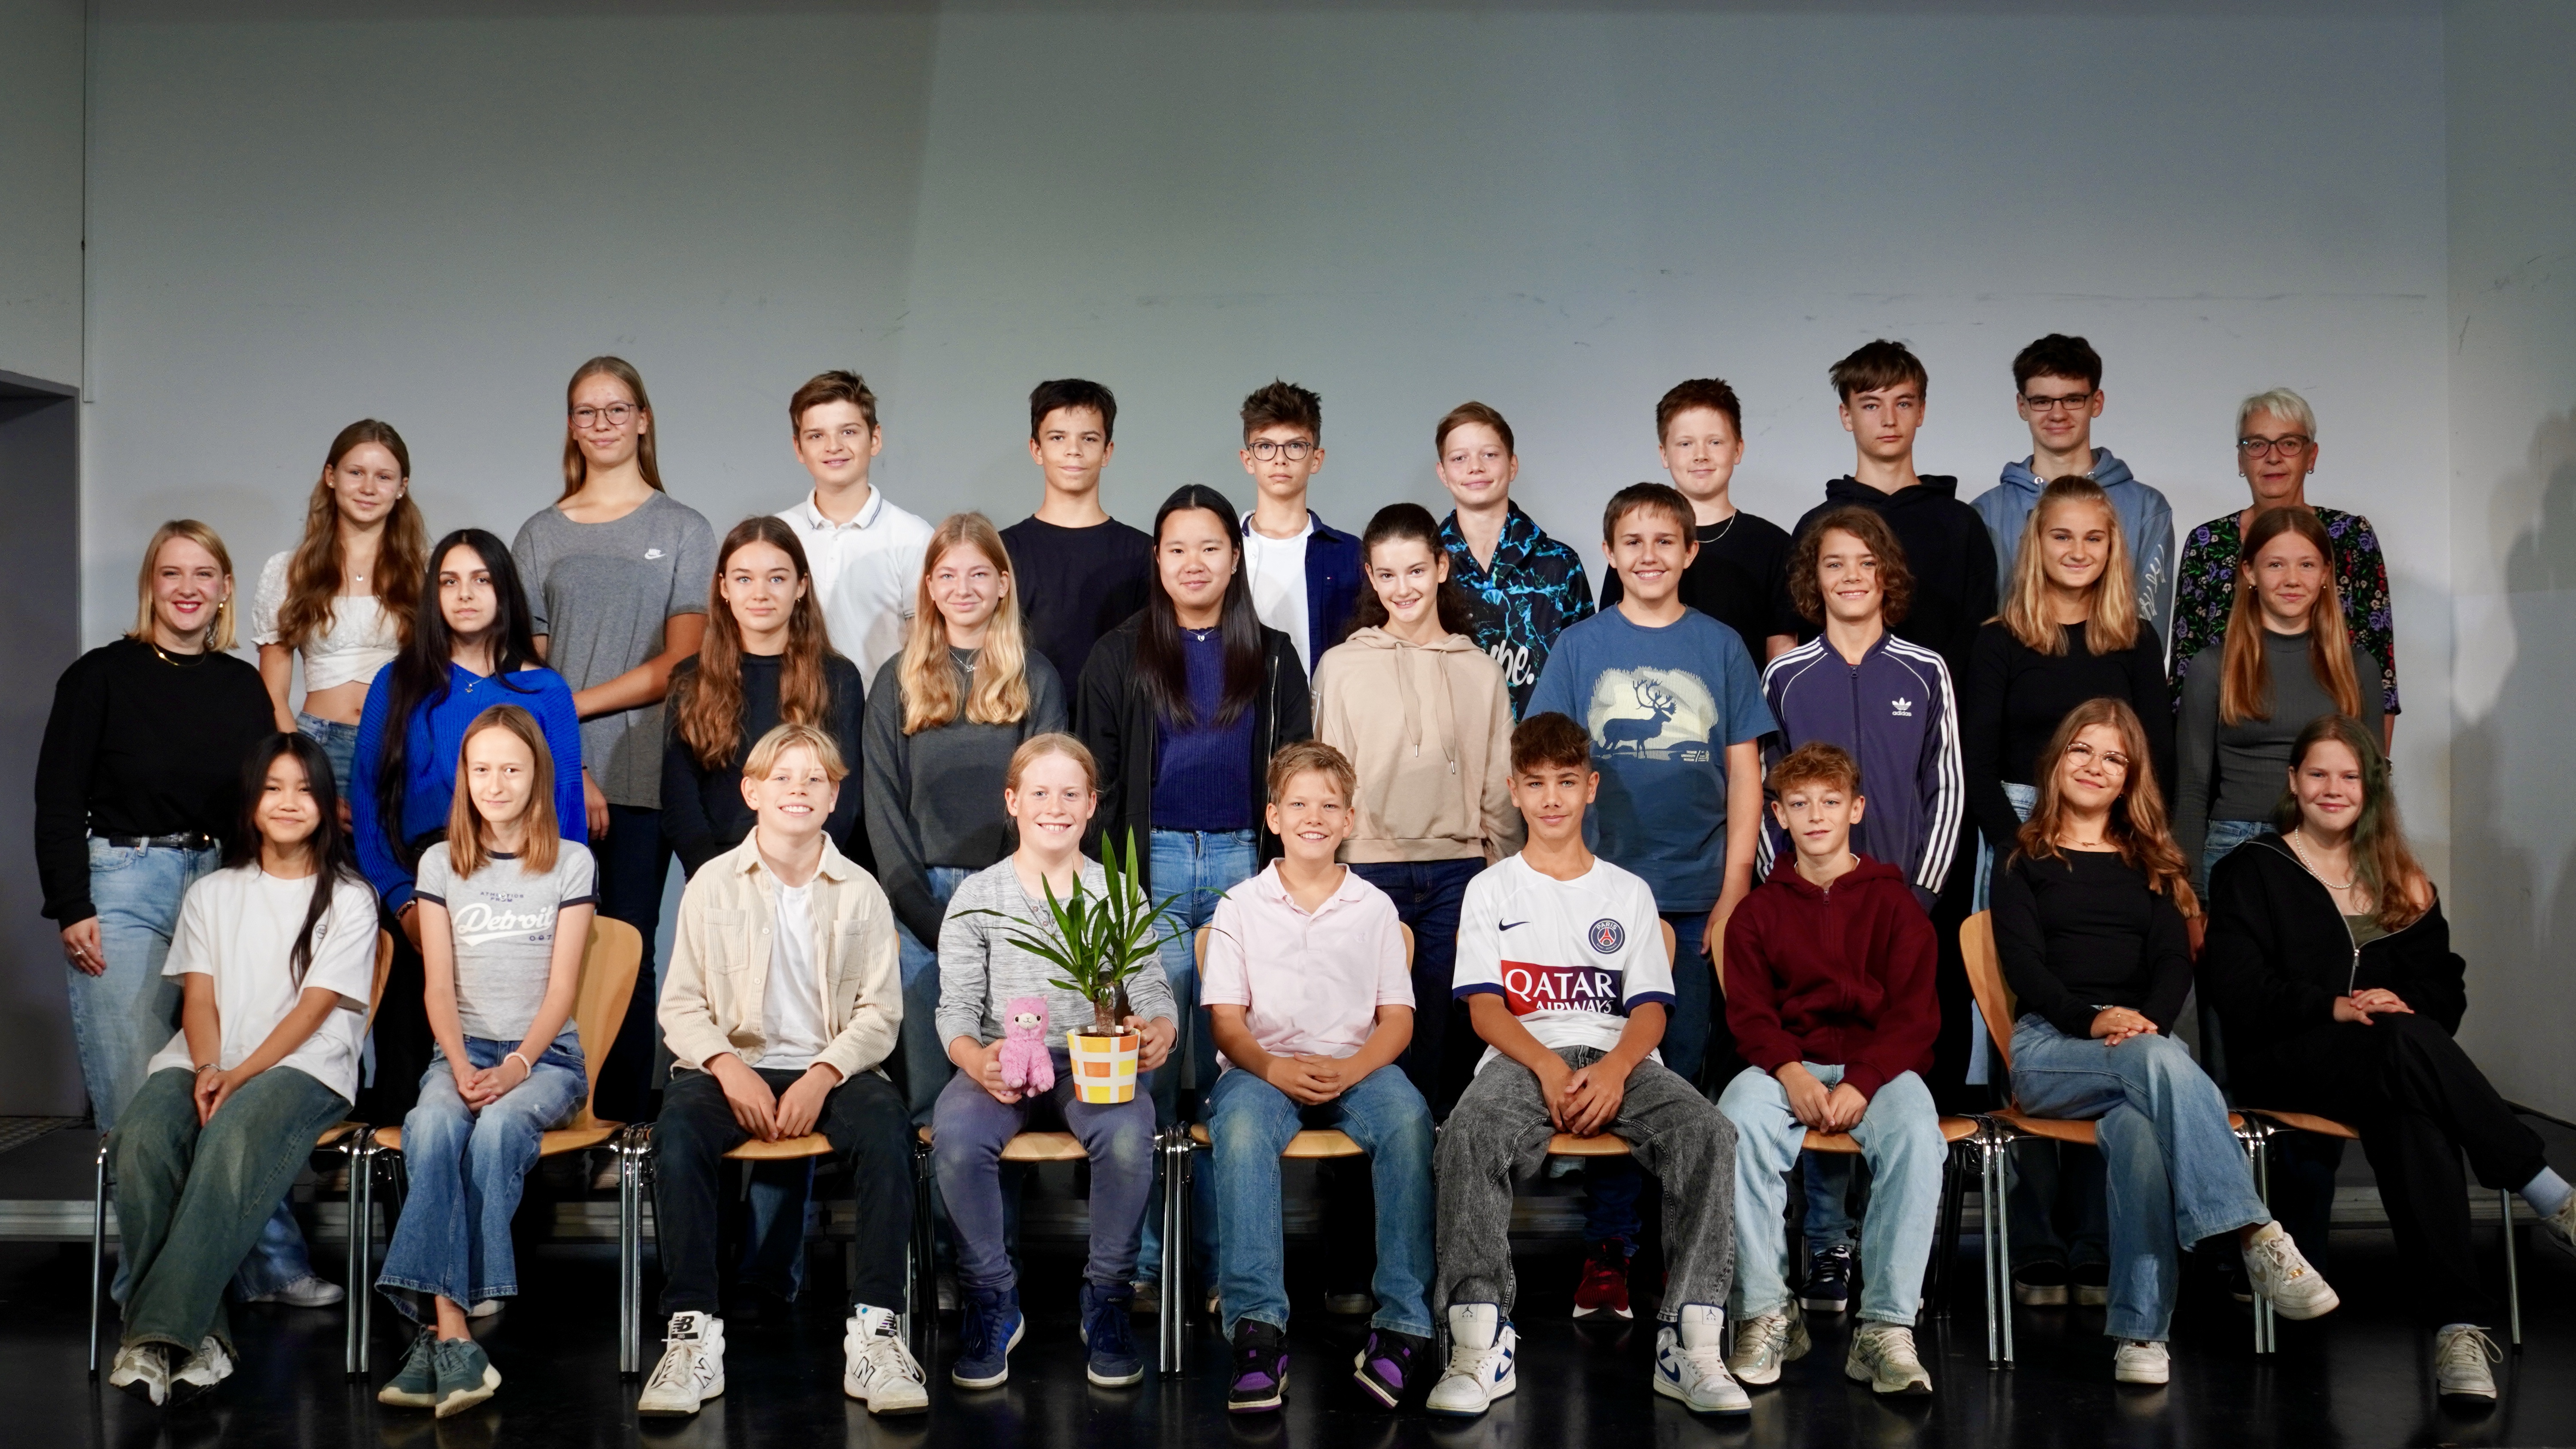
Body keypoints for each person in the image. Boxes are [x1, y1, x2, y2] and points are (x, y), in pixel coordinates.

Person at [2205, 715, 2576, 1404]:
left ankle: (2458, 1334)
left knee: (2413, 1112)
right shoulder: (2251, 870)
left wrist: (2401, 1001)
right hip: (2287, 1061)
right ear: (2293, 781)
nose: (2334, 788)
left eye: (2350, 776)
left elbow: (2445, 990)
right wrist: (2334, 1007)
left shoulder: (2400, 879)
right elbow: (2237, 989)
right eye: (2319, 773)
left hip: (2383, 1067)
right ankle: (2544, 1187)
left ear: (2370, 788)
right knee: (2403, 1049)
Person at [1992, 698, 2336, 1386]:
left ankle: (2141, 1336)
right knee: (2161, 1059)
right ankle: (2254, 1234)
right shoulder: (2022, 858)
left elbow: (2174, 962)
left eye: (2114, 758)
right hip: (2050, 1048)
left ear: (2131, 778)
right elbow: (2024, 966)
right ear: (2056, 761)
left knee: (2143, 1135)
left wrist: (2142, 1021)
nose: (2095, 766)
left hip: (2139, 1046)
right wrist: (2094, 1021)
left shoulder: (2151, 862)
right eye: (2082, 750)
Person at [1428, 712, 1747, 1419]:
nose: (1552, 799)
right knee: (1467, 1132)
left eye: (1566, 782)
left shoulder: (1627, 893)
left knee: (1709, 1132)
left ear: (1591, 787)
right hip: (1522, 1053)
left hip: (1618, 1054)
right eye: (1537, 783)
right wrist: (1546, 1066)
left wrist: (1614, 1070)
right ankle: (1480, 1342)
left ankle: (1692, 1343)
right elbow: (1485, 1010)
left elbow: (1652, 1010)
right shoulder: (1492, 889)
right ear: (1514, 789)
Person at [1525, 482, 1771, 1317]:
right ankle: (1609, 1246)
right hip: (1601, 900)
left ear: (1691, 551)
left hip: (1699, 895)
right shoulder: (1580, 647)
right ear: (1610, 552)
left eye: (1666, 541)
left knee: (1684, 1071)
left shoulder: (1721, 645)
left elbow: (1745, 773)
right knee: (1610, 1065)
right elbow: (1547, 768)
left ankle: (1675, 1246)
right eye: (1632, 541)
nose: (1649, 555)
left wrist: (1734, 891)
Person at [638, 723, 923, 1418]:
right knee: (677, 1134)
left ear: (834, 798)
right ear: (752, 792)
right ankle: (691, 1334)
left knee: (887, 1131)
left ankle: (877, 1333)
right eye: (783, 777)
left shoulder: (861, 891)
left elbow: (880, 1015)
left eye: (815, 779)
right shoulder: (712, 884)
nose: (799, 790)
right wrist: (726, 1066)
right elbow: (681, 1005)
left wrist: (823, 1073)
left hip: (830, 1066)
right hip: (730, 1064)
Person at [1075, 483, 1313, 1298]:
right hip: (1153, 871)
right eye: (1177, 549)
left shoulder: (1273, 655)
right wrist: (1114, 891)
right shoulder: (1118, 655)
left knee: (1228, 1067)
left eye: (1210, 547)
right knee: (1145, 1065)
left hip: (1247, 864)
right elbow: (1100, 783)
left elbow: (1296, 771)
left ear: (1234, 557)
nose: (1194, 563)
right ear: (1157, 559)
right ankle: (1143, 1264)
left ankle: (1219, 1264)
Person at [102, 734, 378, 1408]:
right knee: (140, 1138)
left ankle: (155, 1336)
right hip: (205, 1057)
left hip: (304, 1066)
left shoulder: (350, 897)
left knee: (231, 1136)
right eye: (274, 788)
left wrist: (240, 1074)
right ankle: (199, 1340)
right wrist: (208, 1067)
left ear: (326, 803)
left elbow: (314, 1011)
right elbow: (199, 1000)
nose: (289, 802)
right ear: (252, 800)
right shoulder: (213, 891)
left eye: (305, 789)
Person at [1965, 475, 2172, 1307]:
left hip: (2113, 835)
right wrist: (2021, 852)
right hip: (2020, 832)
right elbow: (1976, 761)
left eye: (2094, 536)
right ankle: (2037, 1236)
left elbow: (2154, 760)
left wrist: (2137, 846)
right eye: (2062, 536)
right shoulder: (2000, 639)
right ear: (2036, 543)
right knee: (2030, 1024)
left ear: (2113, 545)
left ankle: (2096, 1235)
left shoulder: (2134, 639)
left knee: (2116, 1016)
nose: (2078, 551)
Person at [932, 734, 1176, 1390]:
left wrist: (1160, 1029)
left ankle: (1108, 1298)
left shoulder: (1116, 893)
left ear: (1092, 805)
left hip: (1090, 1059)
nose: (1055, 806)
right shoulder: (978, 895)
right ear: (1012, 801)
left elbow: (1151, 987)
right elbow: (956, 1008)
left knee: (1126, 1136)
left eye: (1071, 794)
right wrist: (973, 1059)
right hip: (1000, 1059)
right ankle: (992, 1297)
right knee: (956, 1138)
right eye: (1039, 792)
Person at [373, 706, 594, 1417]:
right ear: (464, 778)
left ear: (538, 777)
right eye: (482, 769)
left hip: (546, 1060)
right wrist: (461, 1064)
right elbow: (437, 986)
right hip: (461, 1051)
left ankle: (439, 1333)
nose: (495, 784)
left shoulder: (571, 862)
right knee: (432, 1124)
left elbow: (562, 990)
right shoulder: (440, 863)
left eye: (512, 769)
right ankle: (455, 1335)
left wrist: (518, 1066)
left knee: (498, 1129)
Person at [512, 355, 715, 1122]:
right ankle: (552, 1114)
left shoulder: (684, 529)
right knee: (548, 950)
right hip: (554, 780)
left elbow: (681, 663)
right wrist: (568, 757)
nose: (602, 423)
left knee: (628, 945)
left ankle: (620, 1125)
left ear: (643, 419)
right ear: (572, 426)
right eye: (586, 411)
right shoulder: (539, 534)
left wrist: (572, 710)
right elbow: (525, 671)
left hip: (643, 771)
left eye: (617, 409)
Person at [1202, 741, 1433, 1413]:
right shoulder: (1240, 905)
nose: (1314, 817)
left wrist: (1353, 1067)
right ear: (1273, 817)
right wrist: (1274, 1067)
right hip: (1263, 1067)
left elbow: (1397, 1021)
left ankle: (1403, 1324)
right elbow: (1227, 1023)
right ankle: (1257, 1330)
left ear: (1349, 819)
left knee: (1410, 1120)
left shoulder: (1374, 908)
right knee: (1241, 1129)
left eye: (1329, 806)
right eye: (1299, 804)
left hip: (1357, 1066)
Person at [1718, 742, 1944, 1397]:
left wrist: (1863, 1080)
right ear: (1779, 816)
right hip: (1787, 1064)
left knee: (1918, 1131)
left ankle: (1885, 1330)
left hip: (1880, 1067)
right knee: (1734, 1119)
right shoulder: (1759, 912)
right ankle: (1767, 1312)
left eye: (1830, 801)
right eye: (1799, 803)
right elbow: (1750, 1015)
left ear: (1857, 808)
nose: (1816, 815)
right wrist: (1790, 1072)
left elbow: (1915, 1016)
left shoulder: (1896, 905)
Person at [39, 521, 272, 1136]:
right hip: (124, 891)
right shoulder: (98, 677)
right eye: (172, 573)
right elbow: (58, 798)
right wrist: (71, 904)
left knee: (216, 1092)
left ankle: (201, 1207)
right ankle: (137, 1206)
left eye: (204, 574)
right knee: (137, 1097)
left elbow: (258, 809)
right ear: (151, 584)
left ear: (225, 588)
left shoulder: (243, 687)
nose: (187, 588)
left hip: (220, 889)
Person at [353, 530, 585, 1122]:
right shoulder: (396, 683)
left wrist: (549, 907)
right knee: (412, 1080)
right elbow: (369, 803)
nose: (465, 594)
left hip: (520, 898)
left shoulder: (545, 690)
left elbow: (567, 817)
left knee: (510, 1089)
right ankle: (410, 1185)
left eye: (482, 580)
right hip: (422, 883)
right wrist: (402, 900)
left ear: (505, 592)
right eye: (450, 581)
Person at [1312, 503, 1520, 1113]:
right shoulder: (1341, 667)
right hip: (1368, 868)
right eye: (1387, 574)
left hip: (1458, 873)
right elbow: (1329, 780)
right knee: (1362, 1026)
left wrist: (1501, 879)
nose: (1403, 588)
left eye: (1415, 571)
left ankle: (1435, 1159)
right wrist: (1329, 872)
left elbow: (1498, 785)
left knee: (1440, 1032)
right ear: (1370, 578)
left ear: (1442, 567)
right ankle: (1364, 1162)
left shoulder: (1480, 671)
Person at [864, 511, 1068, 1123]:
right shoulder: (896, 679)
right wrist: (923, 912)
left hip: (1014, 903)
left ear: (1003, 584)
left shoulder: (1036, 676)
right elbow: (882, 802)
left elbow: (1048, 801)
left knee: (1013, 1083)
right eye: (948, 575)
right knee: (930, 1098)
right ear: (929, 586)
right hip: (920, 902)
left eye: (979, 574)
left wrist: (1005, 903)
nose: (963, 588)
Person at [2174, 506, 2383, 888]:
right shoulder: (2212, 666)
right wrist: (2188, 894)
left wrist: (2376, 870)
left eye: (2307, 565)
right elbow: (2190, 789)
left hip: (2333, 847)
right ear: (2250, 572)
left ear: (2325, 574)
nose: (2292, 580)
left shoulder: (2359, 668)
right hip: (2236, 844)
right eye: (2275, 565)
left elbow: (2373, 786)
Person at [2172, 388, 2399, 734]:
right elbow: (2183, 676)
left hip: (2333, 748)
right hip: (2230, 749)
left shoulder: (2351, 538)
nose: (2273, 457)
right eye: (2257, 445)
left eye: (2289, 443)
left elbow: (2381, 675)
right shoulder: (2207, 544)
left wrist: (2373, 764)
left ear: (2311, 456)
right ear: (2241, 460)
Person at [663, 516, 867, 878]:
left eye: (777, 579)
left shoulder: (838, 677)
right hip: (718, 870)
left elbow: (845, 792)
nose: (760, 594)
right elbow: (680, 796)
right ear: (724, 587)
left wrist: (802, 871)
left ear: (801, 586)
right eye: (744, 579)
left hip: (810, 869)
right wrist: (714, 875)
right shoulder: (690, 678)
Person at [251, 419, 425, 794]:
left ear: (401, 487)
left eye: (383, 477)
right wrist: (303, 771)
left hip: (403, 745)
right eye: (356, 472)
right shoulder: (289, 571)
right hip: (319, 747)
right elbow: (273, 692)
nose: (368, 488)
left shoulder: (425, 571)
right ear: (331, 476)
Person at [1968, 335, 2176, 640]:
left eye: (2073, 399)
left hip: (2115, 669)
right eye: (2042, 401)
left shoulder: (2147, 508)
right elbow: (1979, 632)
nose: (2057, 414)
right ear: (2022, 406)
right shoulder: (1985, 513)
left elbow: (2149, 634)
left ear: (2097, 403)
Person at [1598, 378, 1799, 665]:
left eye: (1715, 442)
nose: (1700, 456)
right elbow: (1610, 634)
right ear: (1664, 454)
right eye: (1685, 444)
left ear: (1738, 449)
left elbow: (1782, 654)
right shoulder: (1638, 545)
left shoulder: (1773, 544)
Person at [1432, 401, 1592, 716]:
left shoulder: (1559, 565)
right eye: (1459, 458)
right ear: (1443, 473)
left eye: (1490, 455)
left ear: (1513, 465)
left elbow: (1586, 671)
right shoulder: (1424, 566)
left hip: (1539, 744)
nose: (1475, 467)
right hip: (1448, 741)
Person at [774, 370, 934, 682]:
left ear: (875, 439)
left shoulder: (913, 537)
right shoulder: (777, 536)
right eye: (816, 436)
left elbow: (927, 650)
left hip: (880, 710)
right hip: (791, 709)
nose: (833, 446)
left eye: (848, 432)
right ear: (798, 448)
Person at [1001, 379, 1154, 691]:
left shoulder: (1143, 553)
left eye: (1089, 438)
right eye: (1058, 437)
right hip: (1023, 715)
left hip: (1115, 718)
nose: (1074, 451)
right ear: (1036, 449)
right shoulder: (1002, 550)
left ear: (1107, 451)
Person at [1236, 379, 1363, 674]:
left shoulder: (1350, 555)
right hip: (1240, 703)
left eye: (1295, 446)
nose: (1280, 459)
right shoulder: (1224, 551)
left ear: (1316, 459)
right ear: (1248, 460)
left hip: (1325, 702)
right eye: (1265, 446)